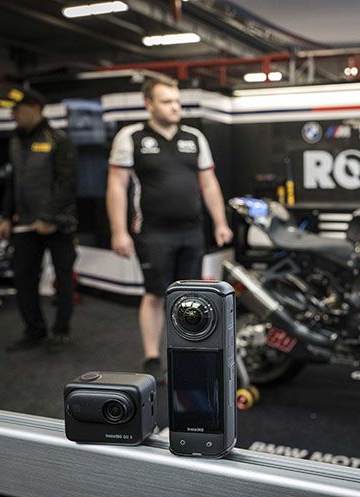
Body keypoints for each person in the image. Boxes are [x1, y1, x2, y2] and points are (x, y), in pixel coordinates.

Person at [106, 76, 233, 382]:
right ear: (149, 104)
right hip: (154, 231)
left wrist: (220, 222)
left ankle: (187, 352)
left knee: (189, 295)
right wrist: (118, 231)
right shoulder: (131, 137)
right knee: (155, 294)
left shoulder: (194, 137)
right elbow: (116, 185)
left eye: (177, 101)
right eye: (166, 101)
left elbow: (209, 183)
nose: (175, 107)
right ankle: (152, 356)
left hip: (192, 230)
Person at [0, 88, 78, 353]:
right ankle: (35, 331)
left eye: (17, 109)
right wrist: (6, 217)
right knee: (23, 277)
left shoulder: (59, 139)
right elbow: (12, 183)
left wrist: (48, 217)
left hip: (58, 224)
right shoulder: (14, 141)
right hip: (26, 225)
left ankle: (61, 331)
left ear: (35, 109)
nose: (12, 114)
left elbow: (68, 184)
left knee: (63, 277)